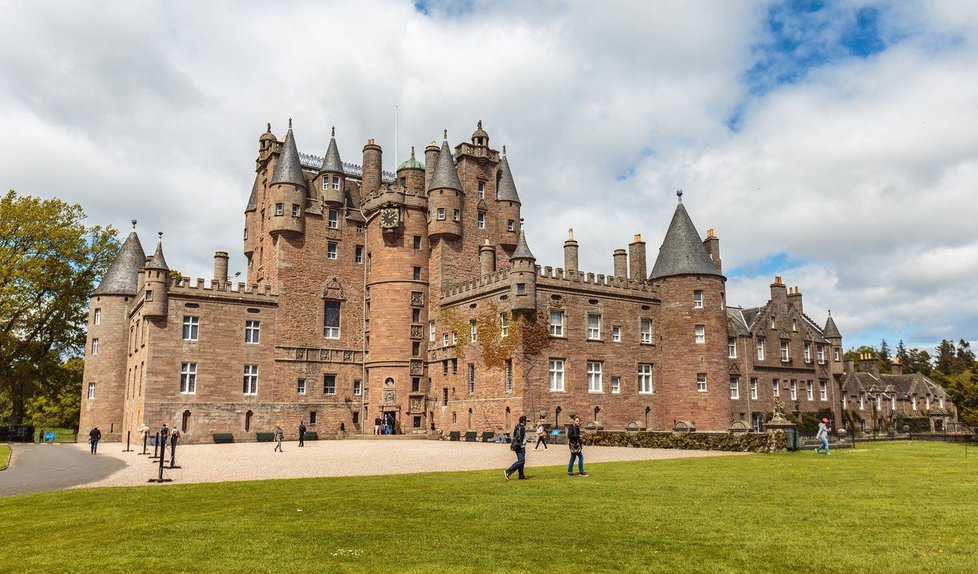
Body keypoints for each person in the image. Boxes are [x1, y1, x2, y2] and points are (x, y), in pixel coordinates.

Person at [504, 415, 528, 480]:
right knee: (521, 461)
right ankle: (508, 471)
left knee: (521, 461)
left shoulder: (518, 426)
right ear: (523, 421)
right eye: (526, 421)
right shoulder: (520, 427)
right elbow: (518, 437)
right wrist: (521, 445)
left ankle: (521, 476)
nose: (526, 422)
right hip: (520, 446)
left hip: (519, 445)